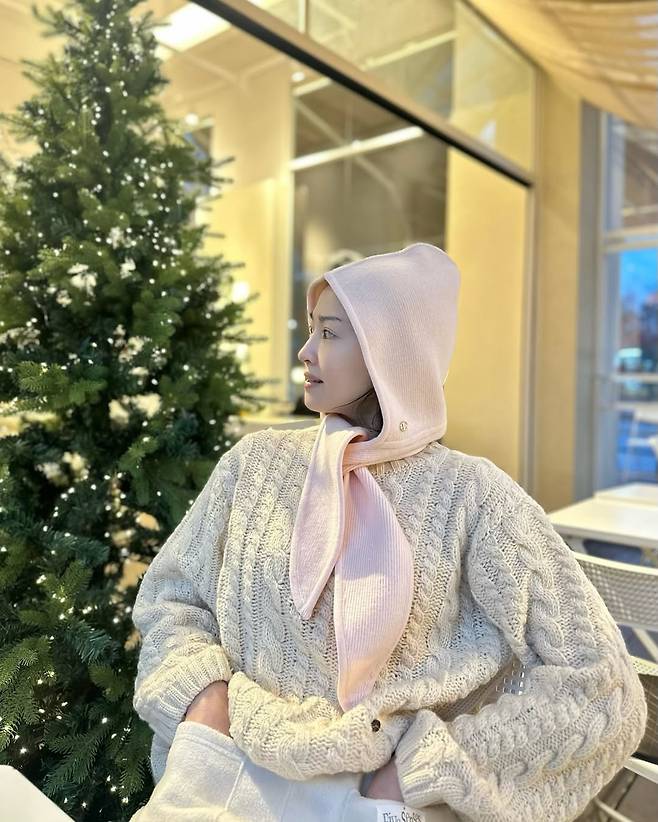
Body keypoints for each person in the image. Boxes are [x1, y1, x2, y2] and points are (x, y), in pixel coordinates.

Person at [130, 243, 648, 822]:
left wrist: (423, 769)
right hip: (226, 772)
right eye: (311, 329)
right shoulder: (256, 464)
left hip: (377, 796)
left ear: (389, 351)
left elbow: (601, 685)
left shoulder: (473, 497)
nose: (305, 351)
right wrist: (204, 701)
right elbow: (171, 596)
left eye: (329, 333)